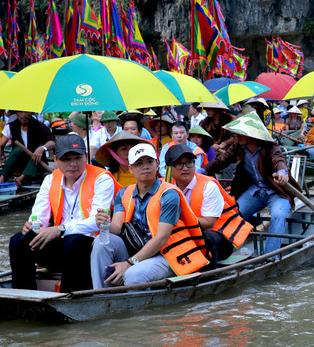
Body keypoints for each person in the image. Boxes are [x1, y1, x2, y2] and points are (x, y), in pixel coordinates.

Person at [8, 134, 117, 293]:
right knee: (18, 240)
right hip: (62, 244)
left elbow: (97, 221)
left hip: (91, 246)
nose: (73, 164)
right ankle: (22, 293)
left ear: (86, 157)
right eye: (66, 159)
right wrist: (33, 225)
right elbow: (39, 215)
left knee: (74, 241)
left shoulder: (102, 179)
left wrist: (60, 229)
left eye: (78, 158)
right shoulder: (50, 179)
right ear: (56, 160)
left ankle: (71, 296)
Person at [91, 144, 208, 288]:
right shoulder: (123, 193)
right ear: (131, 168)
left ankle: (135, 308)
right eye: (139, 163)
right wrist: (105, 224)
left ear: (157, 165)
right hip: (137, 251)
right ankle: (102, 295)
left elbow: (161, 239)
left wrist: (128, 264)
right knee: (101, 242)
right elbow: (116, 228)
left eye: (149, 161)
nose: (145, 167)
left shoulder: (169, 194)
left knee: (133, 275)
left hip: (167, 255)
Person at [210, 113, 301, 255]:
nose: (237, 136)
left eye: (241, 133)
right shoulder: (238, 147)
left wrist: (282, 172)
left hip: (277, 192)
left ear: (252, 135)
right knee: (234, 214)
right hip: (255, 191)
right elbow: (221, 161)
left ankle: (270, 256)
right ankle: (224, 251)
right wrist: (200, 171)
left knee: (278, 216)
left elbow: (278, 160)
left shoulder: (270, 147)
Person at [165, 144, 252, 264]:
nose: (185, 168)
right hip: (185, 235)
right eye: (179, 164)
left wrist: (177, 217)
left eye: (189, 163)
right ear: (168, 168)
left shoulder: (208, 186)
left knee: (207, 236)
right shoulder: (165, 188)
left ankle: (210, 275)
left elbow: (208, 224)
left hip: (218, 238)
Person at [0, 111, 56, 186]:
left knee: (36, 151)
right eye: (20, 112)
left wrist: (42, 148)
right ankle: (2, 178)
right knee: (17, 150)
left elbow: (52, 142)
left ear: (32, 113)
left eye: (27, 112)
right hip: (20, 164)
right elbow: (1, 145)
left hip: (37, 163)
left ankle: (21, 178)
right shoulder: (11, 126)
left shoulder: (39, 126)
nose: (24, 115)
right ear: (16, 113)